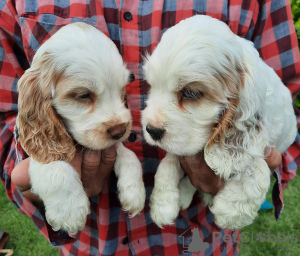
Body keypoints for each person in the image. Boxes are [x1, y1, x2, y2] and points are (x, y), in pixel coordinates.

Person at [0, 0, 299, 255]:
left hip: (203, 242)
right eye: (83, 95)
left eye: (191, 93)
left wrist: (254, 168)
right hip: (90, 243)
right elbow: (7, 113)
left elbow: (281, 96)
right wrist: (40, 176)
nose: (124, 123)